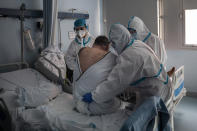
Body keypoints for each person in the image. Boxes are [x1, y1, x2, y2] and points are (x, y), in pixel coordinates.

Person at [82, 24, 172, 109]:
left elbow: (114, 83)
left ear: (120, 40)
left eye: (114, 42)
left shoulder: (129, 57)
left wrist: (94, 96)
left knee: (151, 119)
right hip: (158, 85)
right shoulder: (136, 43)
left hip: (156, 92)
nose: (113, 46)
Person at [73, 36, 121, 115]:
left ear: (95, 43)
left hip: (76, 99)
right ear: (106, 46)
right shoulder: (111, 57)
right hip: (96, 107)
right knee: (117, 103)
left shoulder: (82, 50)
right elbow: (114, 82)